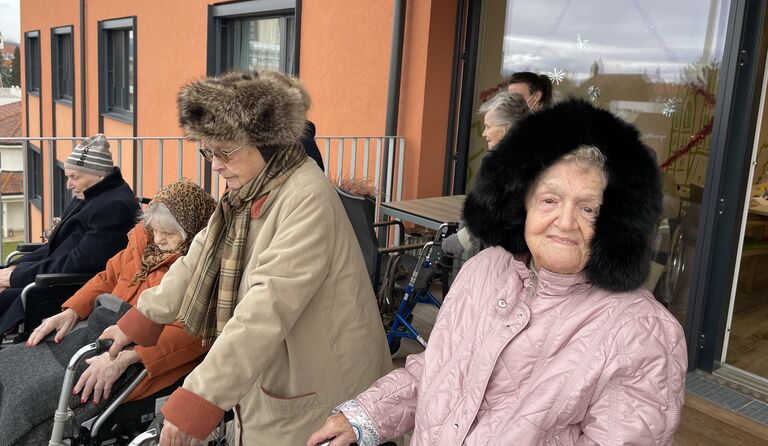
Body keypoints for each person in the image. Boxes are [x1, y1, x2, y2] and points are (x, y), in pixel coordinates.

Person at [308, 99, 687, 446]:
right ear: (523, 203)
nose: (565, 221)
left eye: (588, 208)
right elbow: (438, 372)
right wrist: (367, 415)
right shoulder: (484, 271)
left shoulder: (641, 333)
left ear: (616, 223)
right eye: (550, 199)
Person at [102, 71, 392, 445]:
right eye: (208, 151)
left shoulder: (307, 197)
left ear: (268, 144)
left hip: (319, 383)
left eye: (225, 151)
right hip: (279, 369)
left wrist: (197, 399)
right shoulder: (247, 189)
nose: (215, 164)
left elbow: (265, 309)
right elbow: (199, 254)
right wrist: (140, 321)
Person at [0, 179, 216, 446]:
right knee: (6, 364)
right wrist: (72, 311)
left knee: (28, 397)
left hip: (138, 359)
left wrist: (128, 357)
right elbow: (108, 276)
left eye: (169, 235)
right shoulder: (142, 243)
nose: (158, 240)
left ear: (193, 233)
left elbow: (193, 334)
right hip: (100, 335)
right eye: (155, 230)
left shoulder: (199, 271)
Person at [0, 134, 139, 333]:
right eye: (68, 177)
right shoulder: (89, 193)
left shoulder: (114, 208)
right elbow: (54, 247)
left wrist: (15, 278)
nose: (68, 185)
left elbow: (77, 264)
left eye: (74, 177)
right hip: (49, 274)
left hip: (62, 286)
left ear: (99, 175)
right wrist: (15, 268)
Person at [441, 91, 530, 257]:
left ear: (507, 128)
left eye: (488, 127)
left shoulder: (500, 164)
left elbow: (489, 212)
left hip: (502, 254)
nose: (484, 133)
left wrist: (462, 239)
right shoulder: (536, 157)